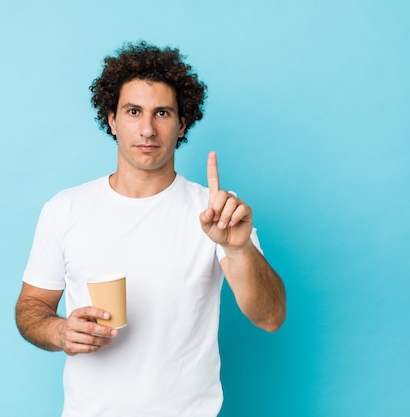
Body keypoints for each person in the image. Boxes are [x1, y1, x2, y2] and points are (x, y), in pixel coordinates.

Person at [15, 40, 286, 417]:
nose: (147, 128)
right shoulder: (65, 208)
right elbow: (31, 308)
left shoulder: (216, 212)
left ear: (182, 124)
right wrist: (60, 332)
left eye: (161, 112)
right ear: (111, 119)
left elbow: (270, 317)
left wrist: (240, 250)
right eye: (132, 111)